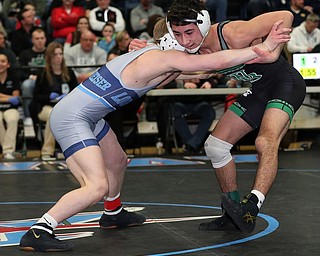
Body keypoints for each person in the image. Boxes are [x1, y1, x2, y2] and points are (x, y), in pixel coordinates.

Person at [18, 15, 290, 251]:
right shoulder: (160, 59)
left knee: (117, 160)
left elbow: (203, 69)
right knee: (95, 186)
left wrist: (221, 58)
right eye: (182, 40)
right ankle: (41, 229)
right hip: (73, 118)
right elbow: (216, 62)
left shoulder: (155, 58)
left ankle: (113, 213)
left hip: (88, 114)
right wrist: (261, 48)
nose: (188, 47)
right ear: (171, 41)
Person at [129, 0, 306, 233]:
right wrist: (143, 55)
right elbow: (173, 73)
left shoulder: (233, 34)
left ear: (202, 25)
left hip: (285, 84)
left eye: (189, 33)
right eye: (178, 34)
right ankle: (232, 211)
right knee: (215, 146)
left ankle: (251, 206)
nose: (185, 41)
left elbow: (285, 14)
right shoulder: (193, 48)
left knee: (265, 141)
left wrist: (272, 52)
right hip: (258, 90)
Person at [29, 42, 78, 160]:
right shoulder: (43, 74)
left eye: (60, 54)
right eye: (55, 54)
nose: (58, 57)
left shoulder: (69, 73)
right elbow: (36, 96)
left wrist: (67, 97)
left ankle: (73, 150)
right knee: (53, 114)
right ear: (49, 57)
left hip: (65, 107)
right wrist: (49, 97)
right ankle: (47, 151)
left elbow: (76, 92)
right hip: (46, 107)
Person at [171, 78, 216, 154]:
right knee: (175, 113)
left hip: (200, 102)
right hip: (180, 101)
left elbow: (214, 80)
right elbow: (165, 84)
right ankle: (194, 145)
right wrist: (181, 84)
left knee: (209, 113)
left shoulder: (202, 67)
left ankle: (190, 145)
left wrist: (209, 83)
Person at [18, 27, 47, 126]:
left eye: (42, 38)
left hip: (47, 80)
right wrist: (30, 76)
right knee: (26, 85)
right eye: (37, 38)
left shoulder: (50, 53)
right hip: (31, 80)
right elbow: (19, 72)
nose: (40, 41)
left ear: (45, 39)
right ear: (32, 40)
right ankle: (28, 116)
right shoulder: (24, 54)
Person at [0, 52, 21, 160]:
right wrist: (8, 97)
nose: (0, 64)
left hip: (10, 108)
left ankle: (7, 151)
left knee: (12, 119)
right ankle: (7, 150)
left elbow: (16, 97)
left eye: (3, 61)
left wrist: (2, 97)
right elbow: (12, 97)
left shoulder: (14, 77)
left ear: (8, 64)